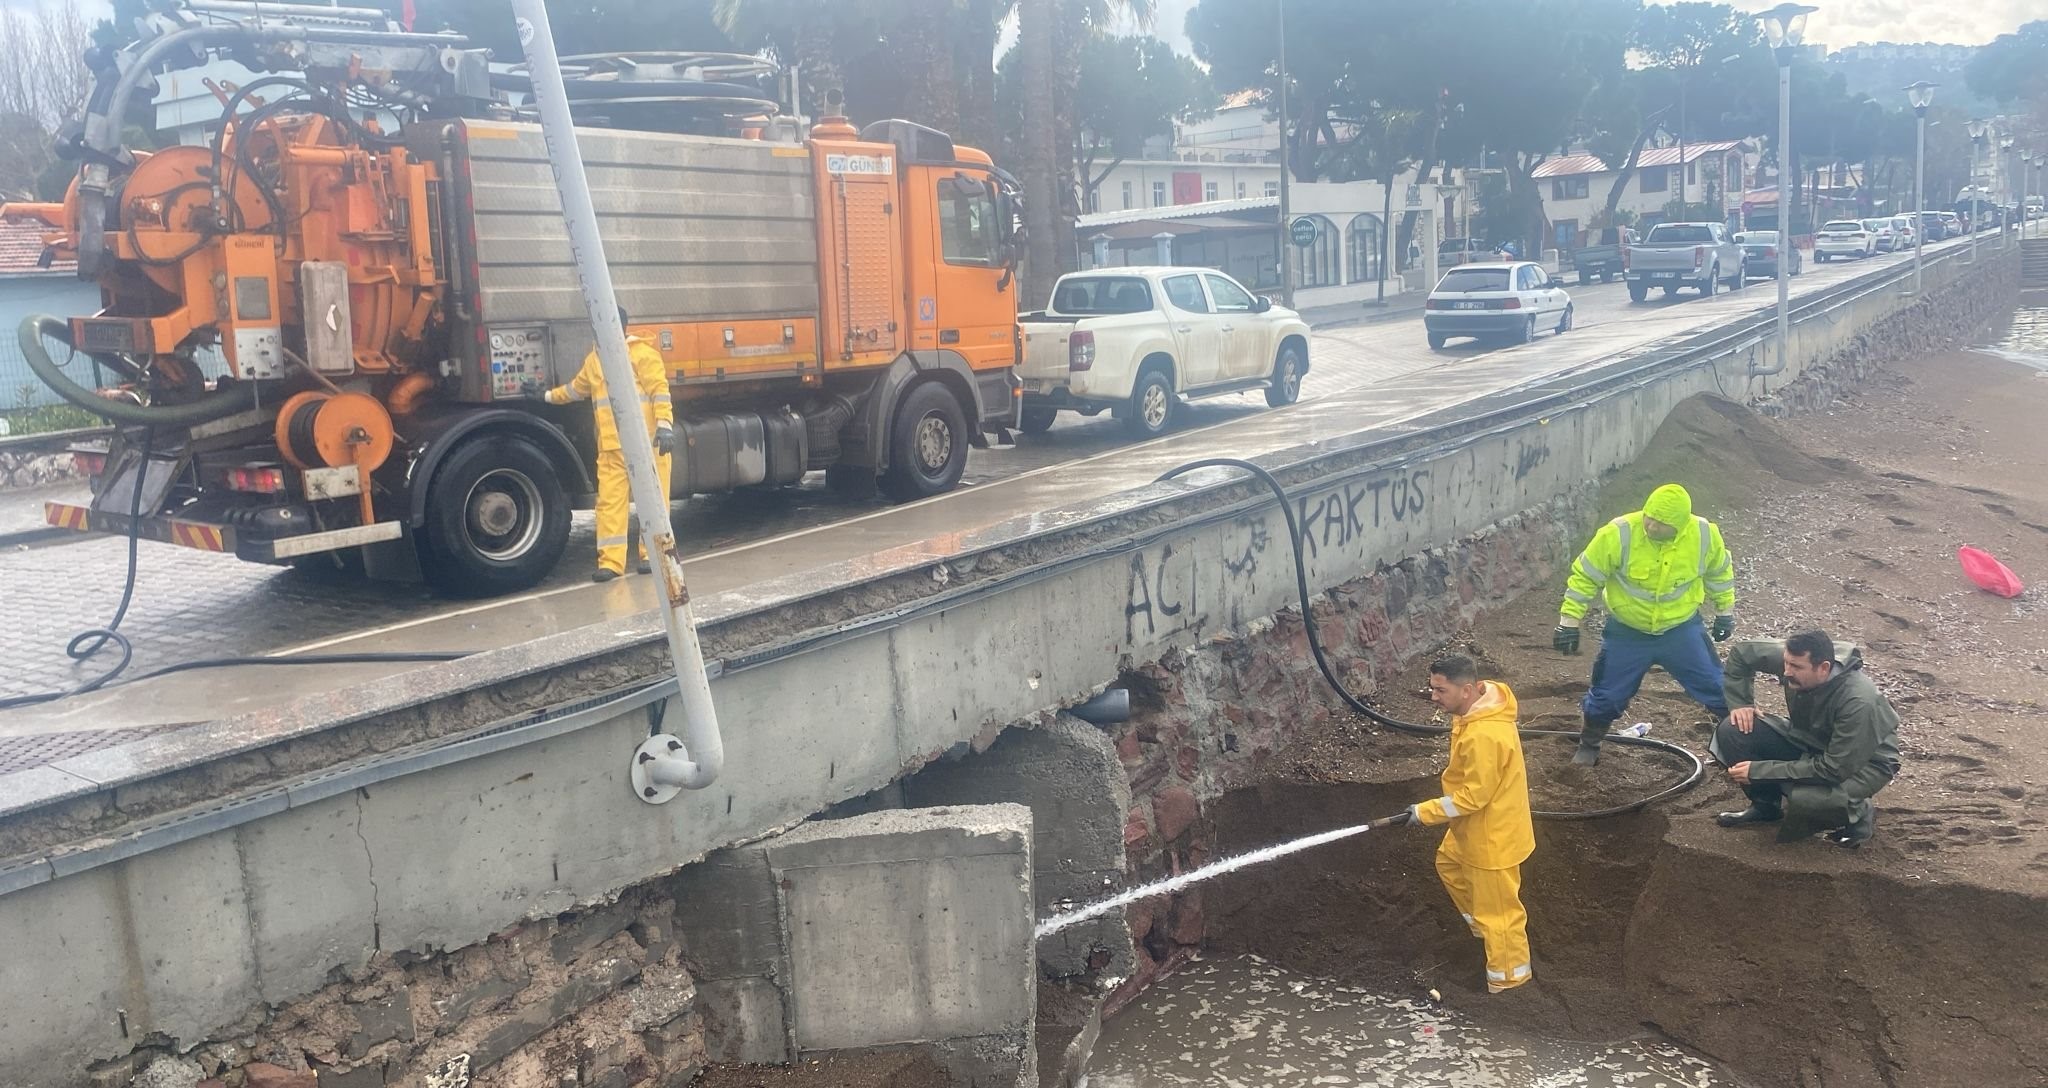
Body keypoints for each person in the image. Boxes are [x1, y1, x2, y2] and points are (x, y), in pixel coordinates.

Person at [1554, 483, 1737, 765]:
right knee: (1607, 695)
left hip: (1681, 629)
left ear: (1679, 525)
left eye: (1660, 523)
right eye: (1648, 517)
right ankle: (1589, 744)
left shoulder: (1703, 535)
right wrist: (1569, 622)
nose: (1650, 526)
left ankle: (1736, 744)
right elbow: (1585, 577)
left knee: (1717, 687)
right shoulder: (1618, 533)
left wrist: (1725, 611)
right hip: (1627, 633)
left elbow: (1719, 573)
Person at [1403, 654, 1535, 994]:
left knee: (1502, 918)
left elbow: (1473, 796)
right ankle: (1482, 930)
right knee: (1448, 863)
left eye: (1440, 690)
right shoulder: (1477, 711)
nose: (1433, 697)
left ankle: (1510, 984)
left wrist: (1423, 812)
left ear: (1468, 690)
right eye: (1432, 688)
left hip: (1492, 838)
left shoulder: (1484, 735)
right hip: (1476, 829)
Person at [1712, 631, 1901, 847]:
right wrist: (1741, 702)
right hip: (1811, 739)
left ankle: (1857, 813)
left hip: (1865, 763)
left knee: (1808, 797)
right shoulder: (1796, 659)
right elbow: (1742, 653)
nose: (1786, 672)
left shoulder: (1859, 702)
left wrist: (1759, 771)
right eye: (1786, 663)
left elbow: (1833, 769)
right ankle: (1766, 807)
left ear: (1823, 668)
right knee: (1734, 729)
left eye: (1796, 668)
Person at [533, 306, 675, 582]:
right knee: (609, 505)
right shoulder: (595, 361)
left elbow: (660, 391)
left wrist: (665, 426)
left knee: (654, 502)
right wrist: (547, 396)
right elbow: (576, 389)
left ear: (618, 325)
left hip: (647, 444)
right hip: (611, 448)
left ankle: (653, 556)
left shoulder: (643, 355)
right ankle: (611, 563)